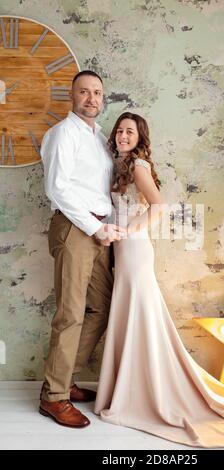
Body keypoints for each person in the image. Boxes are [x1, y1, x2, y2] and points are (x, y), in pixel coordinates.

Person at [94, 112, 224, 448]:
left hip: (133, 248)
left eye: (129, 131)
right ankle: (130, 385)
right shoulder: (123, 165)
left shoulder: (139, 166)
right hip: (125, 251)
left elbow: (159, 207)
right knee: (134, 313)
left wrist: (128, 232)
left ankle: (139, 390)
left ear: (140, 136)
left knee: (138, 314)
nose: (122, 135)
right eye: (119, 130)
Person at [40, 70, 125, 428]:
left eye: (98, 93)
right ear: (72, 96)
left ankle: (65, 378)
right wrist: (96, 227)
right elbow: (57, 189)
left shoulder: (100, 137)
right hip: (76, 227)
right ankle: (53, 397)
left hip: (98, 230)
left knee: (101, 308)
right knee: (71, 312)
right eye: (84, 92)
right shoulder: (63, 134)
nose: (92, 99)